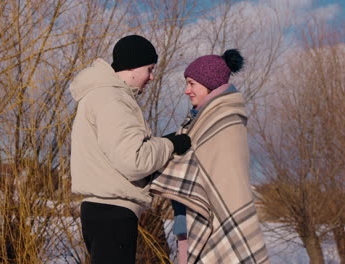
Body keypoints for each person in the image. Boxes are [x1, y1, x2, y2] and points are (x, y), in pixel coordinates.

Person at [69, 34, 191, 264]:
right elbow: (134, 162)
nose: (152, 76)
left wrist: (158, 143)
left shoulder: (100, 95)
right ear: (133, 66)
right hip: (113, 213)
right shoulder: (113, 98)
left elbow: (120, 151)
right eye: (150, 68)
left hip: (100, 211)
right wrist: (171, 144)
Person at [150, 49, 269, 263]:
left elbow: (195, 164)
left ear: (210, 83)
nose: (187, 91)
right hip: (187, 219)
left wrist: (148, 160)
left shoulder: (222, 119)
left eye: (192, 83)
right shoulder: (200, 118)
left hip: (209, 221)